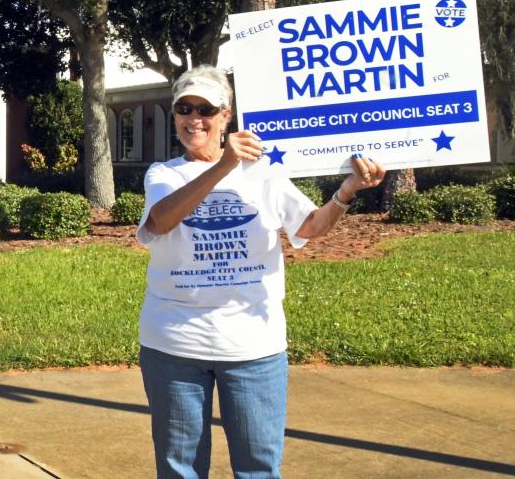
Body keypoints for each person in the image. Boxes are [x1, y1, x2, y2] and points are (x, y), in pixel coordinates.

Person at [136, 65, 385, 479]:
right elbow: (160, 221)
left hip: (254, 346)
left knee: (258, 470)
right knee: (180, 470)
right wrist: (224, 166)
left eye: (206, 109)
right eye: (184, 108)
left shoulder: (267, 171)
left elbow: (308, 227)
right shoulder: (164, 174)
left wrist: (348, 191)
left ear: (226, 115)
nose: (194, 118)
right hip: (175, 344)